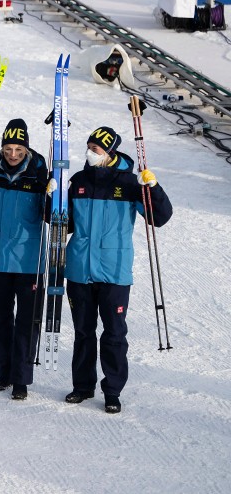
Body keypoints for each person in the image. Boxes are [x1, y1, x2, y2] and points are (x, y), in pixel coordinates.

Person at [64, 125, 172, 414]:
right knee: (83, 332)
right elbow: (67, 224)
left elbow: (159, 218)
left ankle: (112, 390)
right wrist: (52, 201)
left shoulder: (129, 183)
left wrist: (153, 188)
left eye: (95, 149)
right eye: (88, 147)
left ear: (109, 153)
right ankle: (82, 386)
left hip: (114, 271)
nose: (89, 153)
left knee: (113, 334)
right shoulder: (78, 181)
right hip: (79, 270)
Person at [0, 119, 49, 401]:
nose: (12, 154)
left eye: (18, 149)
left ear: (26, 148)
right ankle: (5, 372)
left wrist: (55, 193)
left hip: (29, 260)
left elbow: (51, 215)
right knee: (1, 320)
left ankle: (21, 379)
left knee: (27, 322)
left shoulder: (39, 173)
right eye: (8, 148)